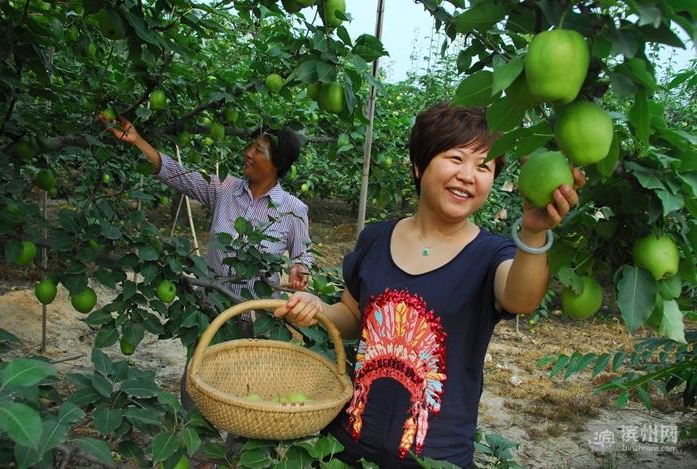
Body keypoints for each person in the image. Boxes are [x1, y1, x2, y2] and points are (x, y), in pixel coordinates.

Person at [273, 103, 585, 468]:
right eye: (456, 158)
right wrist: (318, 310)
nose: (469, 175)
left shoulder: (491, 255)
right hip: (344, 448)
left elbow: (521, 298)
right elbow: (353, 315)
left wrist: (534, 232)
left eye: (484, 166)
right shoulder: (375, 239)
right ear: (420, 166)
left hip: (435, 457)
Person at [102, 116, 313, 296]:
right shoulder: (225, 188)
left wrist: (300, 268)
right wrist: (137, 140)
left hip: (258, 315)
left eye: (258, 150)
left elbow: (303, 255)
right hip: (212, 305)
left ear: (278, 163)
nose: (248, 153)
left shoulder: (294, 210)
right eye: (250, 146)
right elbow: (175, 174)